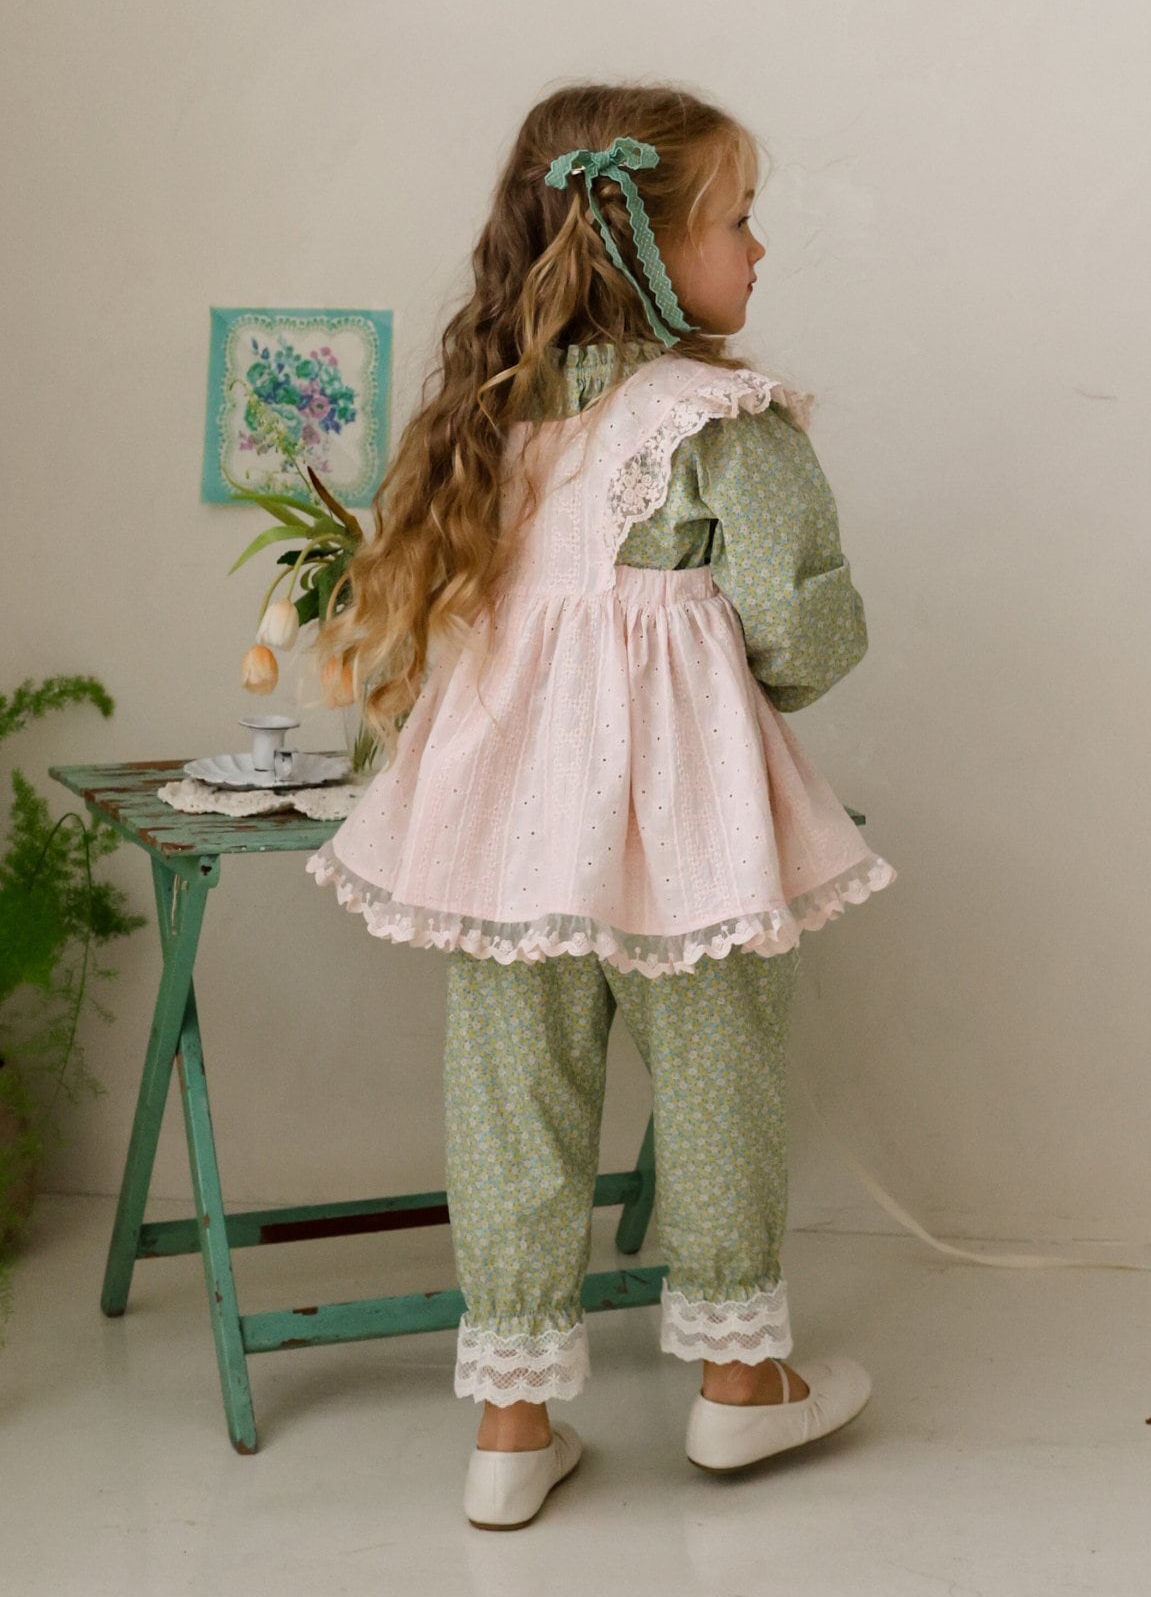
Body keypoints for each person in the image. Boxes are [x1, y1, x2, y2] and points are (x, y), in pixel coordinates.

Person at [305, 80, 898, 1528]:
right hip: (690, 826)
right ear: (644, 239)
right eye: (738, 219)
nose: (759, 249)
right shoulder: (723, 417)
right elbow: (805, 628)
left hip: (508, 829)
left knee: (511, 1100)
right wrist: (732, 686)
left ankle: (511, 1430)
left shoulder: (482, 417)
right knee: (719, 1084)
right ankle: (739, 1389)